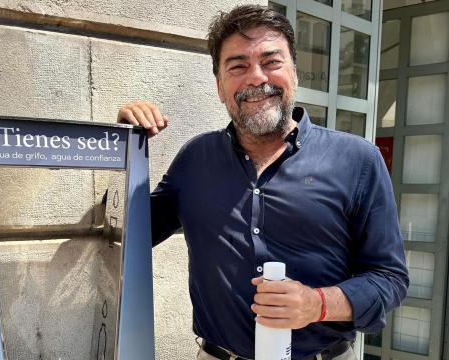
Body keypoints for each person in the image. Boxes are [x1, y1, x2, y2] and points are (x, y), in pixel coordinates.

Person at [117, 5, 408, 360]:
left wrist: (316, 303)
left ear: (295, 74)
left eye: (271, 62)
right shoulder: (196, 159)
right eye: (238, 66)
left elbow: (389, 278)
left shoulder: (358, 160)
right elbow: (131, 231)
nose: (256, 77)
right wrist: (123, 146)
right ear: (220, 87)